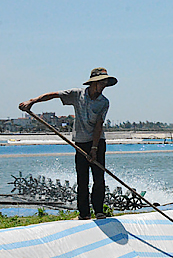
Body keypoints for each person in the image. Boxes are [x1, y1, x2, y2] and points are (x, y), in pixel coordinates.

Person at [19, 67, 116, 220]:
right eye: (102, 82)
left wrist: (94, 149)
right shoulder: (77, 95)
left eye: (105, 83)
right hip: (80, 143)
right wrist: (32, 101)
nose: (104, 86)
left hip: (97, 143)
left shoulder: (104, 102)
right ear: (93, 83)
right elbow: (53, 95)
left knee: (99, 178)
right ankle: (84, 213)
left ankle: (99, 211)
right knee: (82, 179)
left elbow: (99, 126)